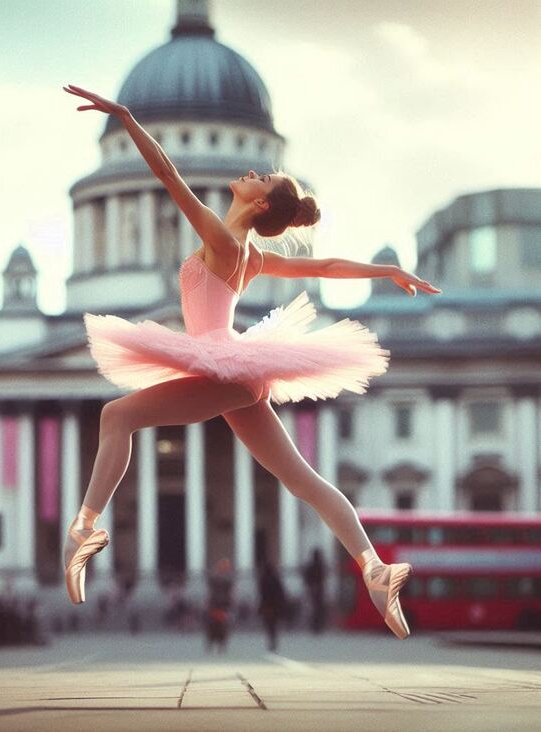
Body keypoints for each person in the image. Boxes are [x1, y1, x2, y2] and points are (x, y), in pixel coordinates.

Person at [61, 83, 441, 640]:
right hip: (236, 372)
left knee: (117, 417)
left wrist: (125, 117)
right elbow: (326, 267)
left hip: (222, 365)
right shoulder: (250, 254)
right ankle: (375, 569)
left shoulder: (221, 238)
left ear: (258, 204)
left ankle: (87, 529)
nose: (249, 174)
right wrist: (386, 273)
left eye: (259, 178)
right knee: (304, 481)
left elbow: (168, 176)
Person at [257, 560, 286, 651]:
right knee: (273, 624)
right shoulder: (275, 578)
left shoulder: (263, 579)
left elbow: (261, 593)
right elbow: (281, 592)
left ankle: (271, 640)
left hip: (267, 605)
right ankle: (273, 640)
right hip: (275, 605)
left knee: (268, 624)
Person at [302, 548, 327, 634]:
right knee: (315, 609)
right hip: (316, 590)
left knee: (316, 609)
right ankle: (316, 626)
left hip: (317, 590)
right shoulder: (317, 566)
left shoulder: (317, 566)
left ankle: (317, 626)